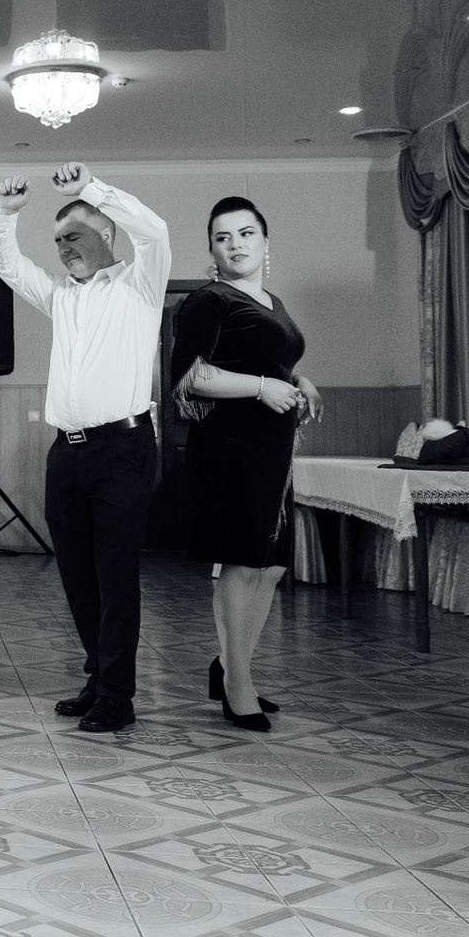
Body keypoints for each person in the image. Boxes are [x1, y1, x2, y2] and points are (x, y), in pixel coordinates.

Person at [0, 160, 171, 734]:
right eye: (59, 241)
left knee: (115, 575)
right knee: (77, 574)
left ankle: (118, 694)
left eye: (75, 235)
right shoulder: (60, 296)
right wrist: (5, 214)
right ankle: (98, 675)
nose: (65, 248)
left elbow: (155, 231)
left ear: (106, 232)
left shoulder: (141, 283)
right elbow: (6, 264)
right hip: (65, 455)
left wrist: (91, 189)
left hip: (123, 450)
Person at [170, 197, 322, 733]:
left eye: (245, 233)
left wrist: (298, 380)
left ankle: (230, 666)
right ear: (211, 249)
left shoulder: (271, 301)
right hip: (230, 448)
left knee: (270, 565)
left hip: (273, 451)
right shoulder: (208, 300)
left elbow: (267, 359)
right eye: (222, 237)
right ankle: (238, 685)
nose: (235, 244)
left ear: (265, 241)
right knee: (241, 563)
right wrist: (263, 387)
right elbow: (189, 377)